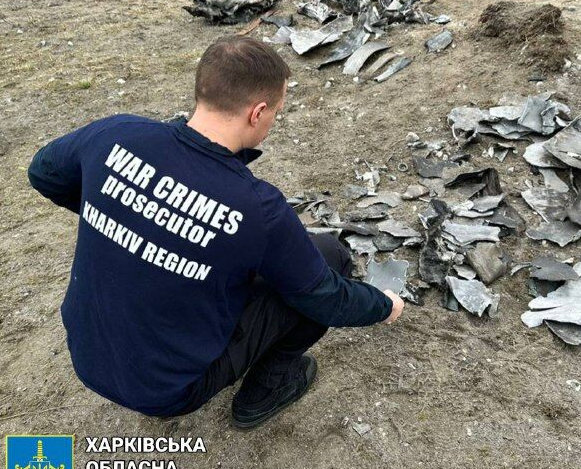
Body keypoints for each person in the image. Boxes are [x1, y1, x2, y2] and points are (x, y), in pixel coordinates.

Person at [27, 35, 405, 427]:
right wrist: (383, 305)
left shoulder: (115, 134)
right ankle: (267, 390)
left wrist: (117, 215)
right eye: (277, 110)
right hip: (168, 391)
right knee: (330, 257)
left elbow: (44, 172)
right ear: (257, 113)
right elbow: (324, 298)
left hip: (87, 356)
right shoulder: (257, 208)